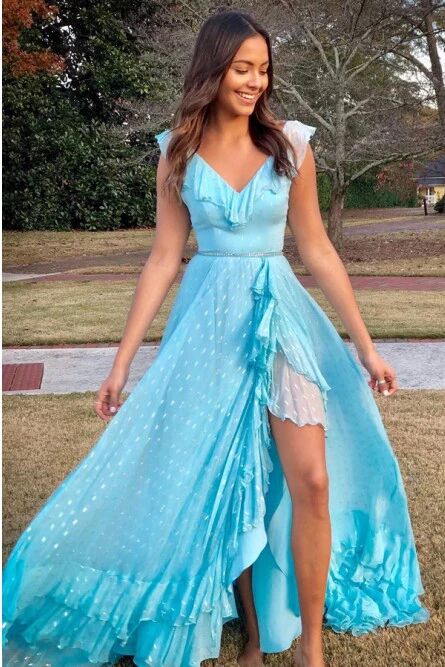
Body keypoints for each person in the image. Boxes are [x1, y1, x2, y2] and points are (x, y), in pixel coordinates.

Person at [2, 9, 429, 667]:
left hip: (280, 321)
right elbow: (162, 258)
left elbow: (317, 249)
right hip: (207, 328)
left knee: (312, 479)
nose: (255, 81)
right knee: (230, 482)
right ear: (213, 69)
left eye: (263, 70)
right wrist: (120, 363)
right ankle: (254, 635)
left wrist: (366, 347)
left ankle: (310, 648)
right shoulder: (177, 151)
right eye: (242, 69)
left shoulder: (291, 146)